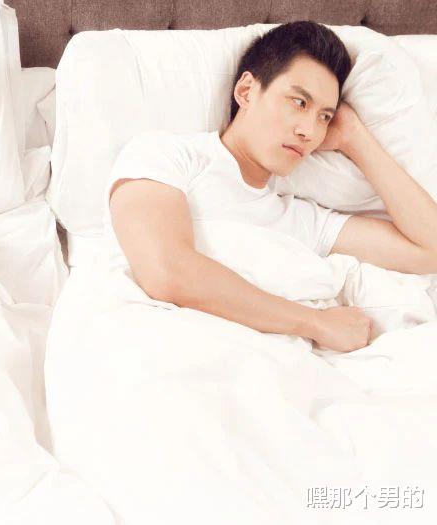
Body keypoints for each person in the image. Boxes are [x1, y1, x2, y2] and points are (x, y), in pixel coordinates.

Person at [108, 21, 437, 353]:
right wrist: (314, 322)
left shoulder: (301, 219)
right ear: (246, 91)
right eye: (299, 102)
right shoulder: (168, 155)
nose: (310, 131)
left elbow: (431, 250)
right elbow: (166, 272)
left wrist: (355, 138)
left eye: (325, 117)